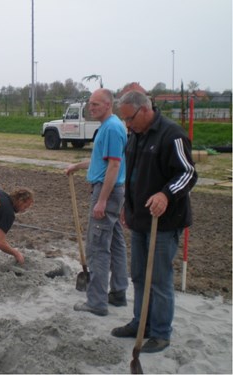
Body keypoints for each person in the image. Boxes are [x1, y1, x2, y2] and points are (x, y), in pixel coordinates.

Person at [111, 90, 197, 353]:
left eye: (129, 118)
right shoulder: (134, 136)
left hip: (165, 221)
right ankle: (141, 323)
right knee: (138, 274)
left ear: (145, 110)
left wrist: (166, 194)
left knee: (158, 278)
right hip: (139, 219)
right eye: (124, 120)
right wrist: (128, 206)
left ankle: (160, 333)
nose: (127, 125)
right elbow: (133, 175)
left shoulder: (172, 135)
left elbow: (188, 173)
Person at [64, 88, 128, 316]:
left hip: (106, 193)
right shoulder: (111, 126)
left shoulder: (111, 128)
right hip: (112, 191)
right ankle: (118, 292)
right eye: (90, 104)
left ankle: (97, 302)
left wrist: (101, 201)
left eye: (96, 105)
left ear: (109, 104)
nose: (91, 108)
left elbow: (114, 166)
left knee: (98, 247)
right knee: (116, 243)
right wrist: (77, 166)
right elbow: (100, 160)